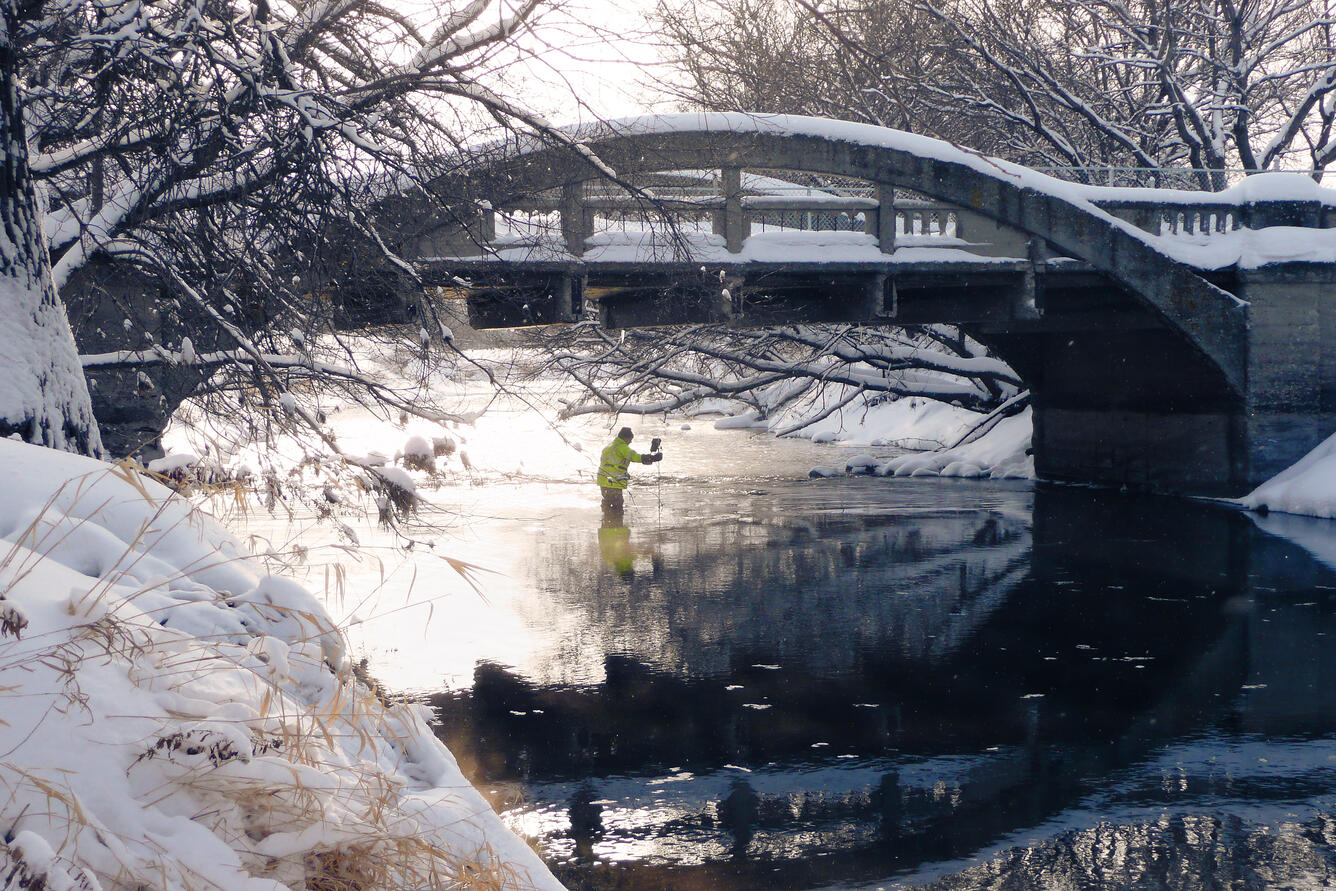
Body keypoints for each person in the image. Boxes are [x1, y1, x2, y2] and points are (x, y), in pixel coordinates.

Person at [596, 427, 661, 520]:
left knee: (607, 504)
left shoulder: (609, 447)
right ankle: (615, 525)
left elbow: (613, 465)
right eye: (630, 439)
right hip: (613, 483)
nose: (631, 442)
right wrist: (652, 458)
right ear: (626, 438)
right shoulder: (622, 447)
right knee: (617, 508)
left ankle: (606, 523)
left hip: (603, 481)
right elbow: (634, 457)